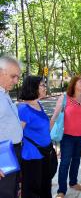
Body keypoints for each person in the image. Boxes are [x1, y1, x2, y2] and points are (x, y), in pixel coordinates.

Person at [51, 76, 81, 198]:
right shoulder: (64, 98)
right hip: (67, 136)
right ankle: (61, 190)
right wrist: (48, 135)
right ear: (73, 84)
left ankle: (73, 182)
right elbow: (55, 116)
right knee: (65, 162)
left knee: (77, 160)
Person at [18, 76, 52, 198]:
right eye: (42, 85)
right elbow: (17, 136)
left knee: (45, 189)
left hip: (44, 154)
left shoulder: (38, 104)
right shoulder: (24, 109)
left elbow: (44, 130)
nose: (45, 87)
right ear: (33, 87)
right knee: (33, 192)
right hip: (32, 158)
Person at [0, 55, 22, 198]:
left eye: (18, 77)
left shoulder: (5, 93)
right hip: (3, 155)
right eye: (13, 76)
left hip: (13, 151)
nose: (16, 81)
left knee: (13, 192)